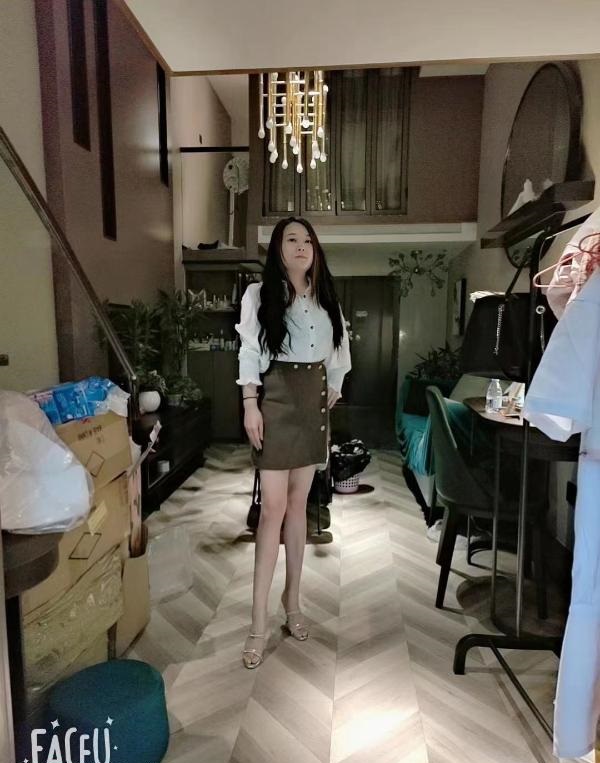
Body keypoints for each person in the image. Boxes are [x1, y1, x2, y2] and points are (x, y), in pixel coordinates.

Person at [235, 217, 351, 669]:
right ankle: (257, 622)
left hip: (313, 404)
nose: (302, 246)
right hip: (276, 398)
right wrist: (250, 403)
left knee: (300, 507)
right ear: (278, 249)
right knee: (272, 511)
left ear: (315, 250)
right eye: (292, 239)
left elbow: (339, 351)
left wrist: (334, 385)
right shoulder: (259, 294)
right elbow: (249, 350)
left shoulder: (326, 299)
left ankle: (293, 602)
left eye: (308, 240)